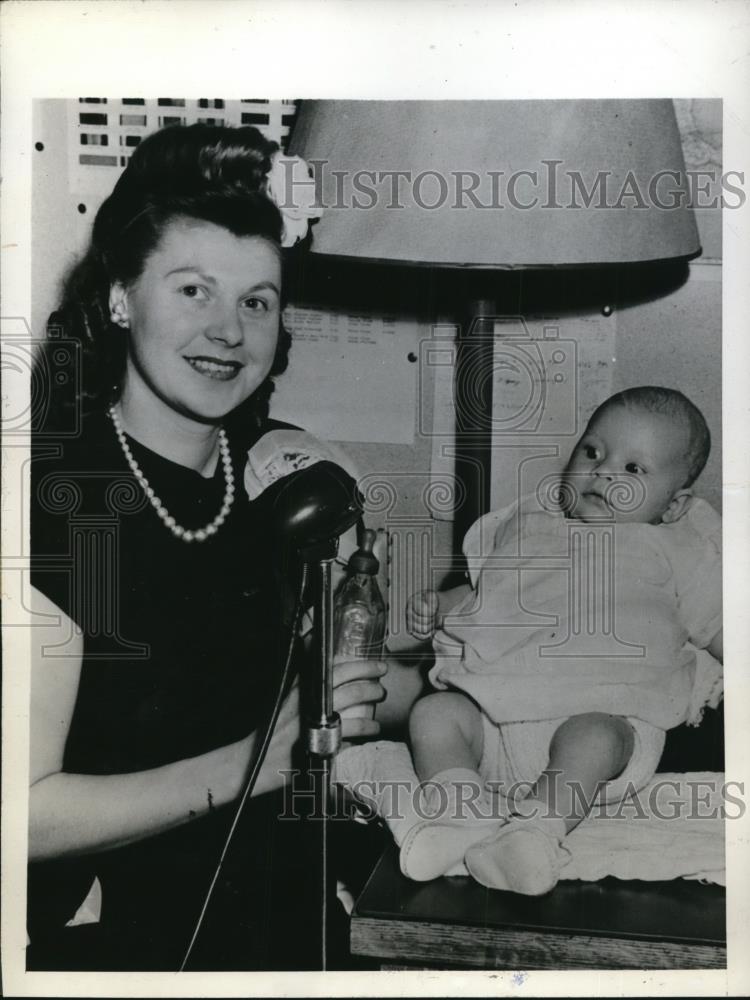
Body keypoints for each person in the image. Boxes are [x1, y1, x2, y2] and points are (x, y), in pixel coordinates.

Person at [27, 123, 395, 971]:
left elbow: (325, 689)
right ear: (121, 298)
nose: (229, 330)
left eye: (256, 301)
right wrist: (265, 760)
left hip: (283, 898)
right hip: (115, 932)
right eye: (194, 291)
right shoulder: (54, 502)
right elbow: (23, 814)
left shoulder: (285, 479)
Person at [399, 386, 723, 893]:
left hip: (607, 724)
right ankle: (463, 816)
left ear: (675, 504)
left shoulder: (676, 545)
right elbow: (491, 589)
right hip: (495, 723)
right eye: (593, 451)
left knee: (593, 736)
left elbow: (723, 625)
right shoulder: (530, 522)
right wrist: (441, 606)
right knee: (435, 715)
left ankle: (535, 835)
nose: (604, 471)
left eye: (634, 469)